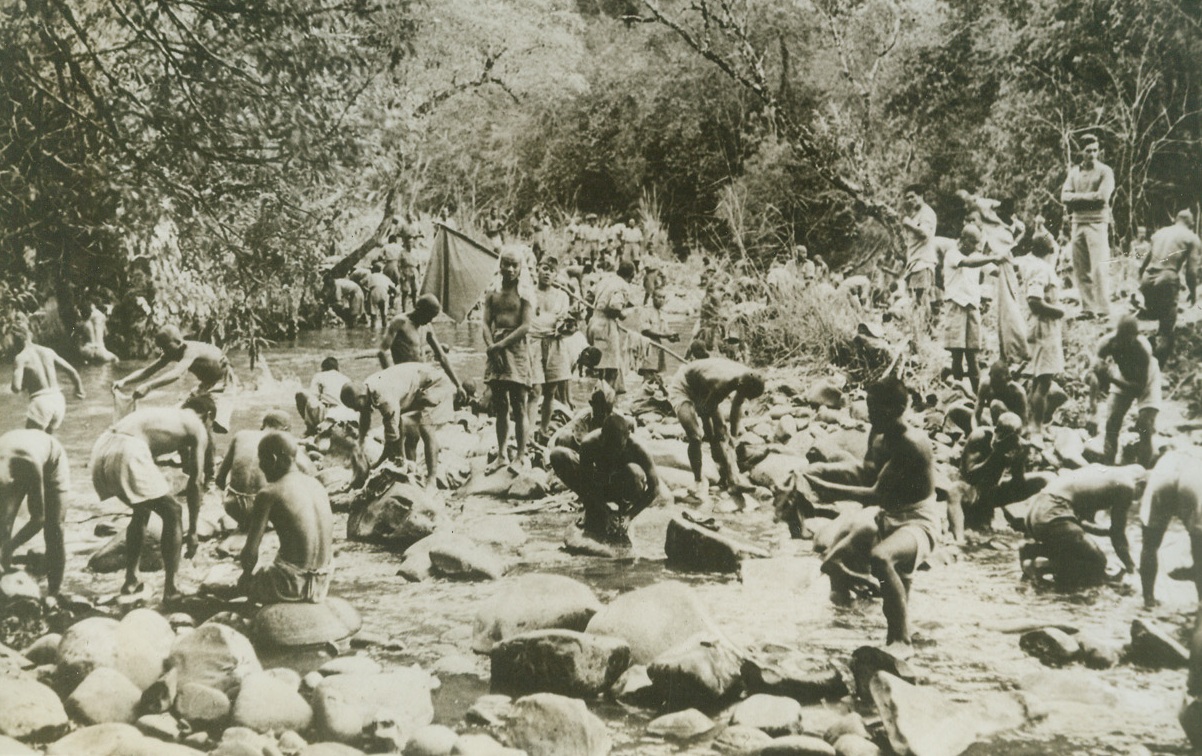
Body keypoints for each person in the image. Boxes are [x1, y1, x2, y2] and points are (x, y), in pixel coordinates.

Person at [804, 376, 940, 655]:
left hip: (918, 522)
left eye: (878, 407)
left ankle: (901, 641)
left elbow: (875, 492)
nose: (872, 413)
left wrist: (823, 488)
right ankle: (844, 615)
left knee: (882, 558)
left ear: (898, 408)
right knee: (841, 548)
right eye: (869, 405)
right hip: (888, 515)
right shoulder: (878, 434)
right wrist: (817, 478)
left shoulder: (911, 443)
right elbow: (867, 474)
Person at [90, 398, 214, 601]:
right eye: (211, 426)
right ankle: (171, 588)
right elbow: (196, 482)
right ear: (208, 416)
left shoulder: (168, 415)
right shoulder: (198, 426)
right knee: (174, 511)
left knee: (142, 509)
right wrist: (192, 532)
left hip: (102, 448)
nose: (210, 431)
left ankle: (131, 579)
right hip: (128, 449)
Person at [238, 431, 334, 604]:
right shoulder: (317, 485)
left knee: (237, 585)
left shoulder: (269, 493)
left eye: (262, 460)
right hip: (322, 582)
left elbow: (250, 553)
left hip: (289, 586)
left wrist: (245, 578)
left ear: (273, 460)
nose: (260, 466)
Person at [1017, 464, 1145, 589]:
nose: (1135, 501)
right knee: (1097, 562)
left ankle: (1033, 550)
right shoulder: (1127, 485)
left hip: (1036, 511)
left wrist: (1105, 532)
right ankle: (1039, 567)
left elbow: (1080, 522)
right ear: (1140, 483)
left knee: (1080, 553)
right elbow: (1118, 535)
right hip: (1053, 513)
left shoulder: (1098, 471)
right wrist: (1131, 567)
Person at [342, 361, 456, 491]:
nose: (356, 410)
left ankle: (432, 480)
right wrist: (360, 444)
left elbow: (392, 432)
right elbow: (365, 415)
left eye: (355, 406)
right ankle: (411, 468)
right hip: (416, 386)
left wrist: (388, 458)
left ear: (361, 397)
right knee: (402, 425)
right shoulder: (366, 387)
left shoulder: (384, 397)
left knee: (426, 428)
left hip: (435, 384)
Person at [114, 324, 238, 433]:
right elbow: (148, 371)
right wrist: (124, 381)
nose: (163, 351)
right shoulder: (171, 352)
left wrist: (149, 386)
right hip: (207, 383)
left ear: (178, 342)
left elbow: (177, 373)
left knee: (218, 423)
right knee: (183, 412)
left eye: (166, 346)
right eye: (161, 347)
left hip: (225, 381)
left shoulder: (191, 350)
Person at [668, 357, 764, 497]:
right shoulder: (722, 383)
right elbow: (705, 414)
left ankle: (733, 480)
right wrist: (714, 441)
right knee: (696, 435)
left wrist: (733, 437)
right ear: (740, 385)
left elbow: (736, 406)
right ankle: (698, 480)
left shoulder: (746, 377)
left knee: (725, 434)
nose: (746, 398)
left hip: (702, 385)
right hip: (684, 386)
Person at [566, 415, 659, 543]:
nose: (614, 451)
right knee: (558, 456)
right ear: (602, 435)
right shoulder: (589, 444)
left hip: (622, 486)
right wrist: (604, 510)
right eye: (610, 446)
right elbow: (585, 483)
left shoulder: (638, 448)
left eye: (619, 446)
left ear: (628, 436)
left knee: (635, 473)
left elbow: (655, 489)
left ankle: (623, 511)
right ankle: (593, 511)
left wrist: (630, 515)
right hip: (601, 485)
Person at [216, 410, 314, 530]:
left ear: (262, 426)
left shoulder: (240, 435)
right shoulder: (282, 441)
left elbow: (219, 480)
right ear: (286, 430)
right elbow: (309, 472)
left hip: (233, 508)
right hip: (263, 510)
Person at [0, 429, 70, 596]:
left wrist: (11, 545)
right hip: (13, 449)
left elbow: (38, 519)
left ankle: (54, 594)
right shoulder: (5, 476)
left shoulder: (29, 465)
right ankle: (6, 583)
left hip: (50, 459)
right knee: (4, 525)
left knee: (54, 528)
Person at [957, 412, 1050, 536]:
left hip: (991, 493)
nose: (1008, 441)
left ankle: (1041, 521)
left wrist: (1020, 459)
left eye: (1013, 438)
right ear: (995, 430)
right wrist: (996, 454)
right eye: (1003, 435)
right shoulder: (981, 437)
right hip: (968, 493)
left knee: (1045, 479)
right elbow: (969, 475)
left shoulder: (1016, 444)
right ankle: (981, 516)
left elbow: (1018, 484)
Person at [942, 224, 1009, 392]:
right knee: (957, 355)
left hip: (972, 307)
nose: (976, 247)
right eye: (973, 243)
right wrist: (993, 257)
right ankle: (958, 393)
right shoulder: (953, 254)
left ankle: (979, 394)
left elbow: (995, 271)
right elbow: (968, 263)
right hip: (955, 305)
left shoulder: (976, 256)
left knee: (972, 356)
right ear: (963, 240)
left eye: (977, 243)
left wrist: (1009, 266)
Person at [483, 249, 533, 467]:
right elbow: (485, 323)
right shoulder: (492, 292)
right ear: (500, 265)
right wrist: (492, 348)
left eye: (515, 265)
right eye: (506, 264)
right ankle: (502, 455)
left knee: (519, 404)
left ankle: (521, 455)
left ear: (521, 268)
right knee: (500, 405)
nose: (510, 270)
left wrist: (500, 346)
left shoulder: (526, 294)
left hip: (516, 348)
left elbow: (525, 326)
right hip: (496, 349)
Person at [1093, 314, 1160, 467]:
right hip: (1122, 376)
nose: (1124, 343)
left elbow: (1138, 389)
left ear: (1135, 337)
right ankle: (1107, 465)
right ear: (1117, 334)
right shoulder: (1107, 343)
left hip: (1147, 378)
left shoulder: (1142, 349)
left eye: (1128, 339)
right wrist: (1093, 406)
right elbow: (1094, 371)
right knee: (1112, 422)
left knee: (1144, 424)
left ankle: (1143, 470)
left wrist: (1111, 379)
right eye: (1121, 338)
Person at [1061, 135, 1115, 319]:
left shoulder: (1105, 171)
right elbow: (1064, 196)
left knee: (1099, 267)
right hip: (1077, 223)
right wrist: (1087, 198)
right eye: (1088, 150)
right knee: (1080, 268)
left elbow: (1102, 197)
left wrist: (1077, 199)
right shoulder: (1074, 172)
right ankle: (1088, 308)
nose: (1092, 154)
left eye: (1094, 149)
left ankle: (1103, 309)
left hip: (1097, 222)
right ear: (1081, 152)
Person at [1139, 449, 1202, 608]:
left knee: (1149, 545)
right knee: (1199, 549)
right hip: (1194, 480)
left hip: (1163, 477)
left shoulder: (1168, 456)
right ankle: (1201, 605)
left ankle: (1149, 602)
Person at [1138, 209, 1199, 363]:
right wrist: (1193, 292)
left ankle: (1142, 364)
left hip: (1147, 278)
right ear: (1191, 223)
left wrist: (1140, 286)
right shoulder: (1192, 238)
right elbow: (1191, 272)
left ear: (1176, 220)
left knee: (1154, 320)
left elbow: (1143, 265)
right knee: (1166, 331)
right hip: (1166, 279)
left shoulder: (1160, 233)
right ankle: (1156, 370)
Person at [1026, 232, 1068, 443]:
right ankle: (1036, 427)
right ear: (1050, 250)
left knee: (1039, 380)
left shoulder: (1034, 265)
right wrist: (1059, 312)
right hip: (1044, 327)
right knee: (1043, 381)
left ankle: (1033, 423)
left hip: (1042, 326)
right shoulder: (1042, 269)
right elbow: (1034, 300)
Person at [11, 325, 84, 434]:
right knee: (48, 443)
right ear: (29, 336)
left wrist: (21, 383)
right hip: (58, 400)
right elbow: (72, 371)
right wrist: (79, 389)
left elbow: (16, 388)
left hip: (41, 402)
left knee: (30, 443)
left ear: (14, 340)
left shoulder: (21, 357)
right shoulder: (48, 351)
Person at [529, 257, 573, 440]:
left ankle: (544, 430)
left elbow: (565, 321)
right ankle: (529, 431)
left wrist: (568, 326)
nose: (547, 273)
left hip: (555, 343)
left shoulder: (562, 296)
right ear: (538, 269)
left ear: (556, 275)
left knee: (551, 390)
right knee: (534, 389)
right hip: (533, 342)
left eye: (552, 270)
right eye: (544, 268)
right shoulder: (529, 293)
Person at [589, 260, 637, 391]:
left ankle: (601, 399)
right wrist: (622, 314)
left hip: (594, 321)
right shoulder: (623, 285)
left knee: (601, 369)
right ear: (631, 276)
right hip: (606, 326)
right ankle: (605, 404)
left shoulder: (606, 279)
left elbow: (589, 294)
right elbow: (614, 307)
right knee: (612, 370)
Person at [901, 184, 938, 319]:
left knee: (921, 299)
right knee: (920, 299)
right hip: (916, 262)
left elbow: (925, 234)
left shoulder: (926, 212)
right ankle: (926, 330)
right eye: (907, 198)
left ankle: (926, 331)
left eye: (912, 197)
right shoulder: (917, 214)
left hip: (922, 262)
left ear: (921, 196)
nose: (909, 200)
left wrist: (908, 224)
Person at [295, 357, 355, 435]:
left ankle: (311, 429)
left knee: (300, 395)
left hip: (327, 413)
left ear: (323, 368)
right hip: (344, 414)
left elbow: (313, 396)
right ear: (337, 368)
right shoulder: (346, 379)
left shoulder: (319, 375)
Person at [638, 289, 678, 384]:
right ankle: (644, 394)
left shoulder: (662, 313)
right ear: (653, 298)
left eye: (663, 297)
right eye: (659, 297)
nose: (661, 300)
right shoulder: (646, 311)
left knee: (657, 374)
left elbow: (665, 331)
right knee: (648, 374)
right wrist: (665, 335)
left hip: (658, 347)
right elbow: (645, 330)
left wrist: (671, 337)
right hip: (648, 346)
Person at [364, 262, 397, 329]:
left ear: (373, 270)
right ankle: (384, 328)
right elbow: (393, 287)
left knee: (373, 314)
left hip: (374, 291)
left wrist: (367, 290)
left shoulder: (370, 276)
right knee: (383, 313)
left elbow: (361, 283)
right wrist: (393, 297)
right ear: (380, 270)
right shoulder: (384, 277)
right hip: (384, 292)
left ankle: (372, 328)